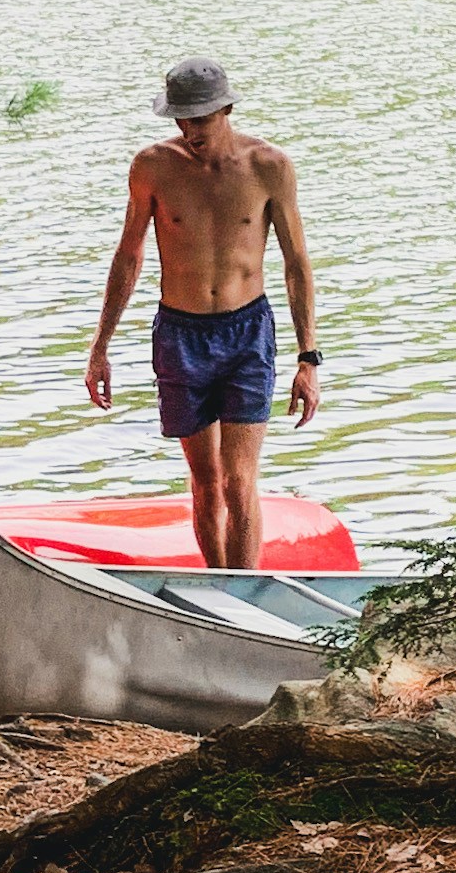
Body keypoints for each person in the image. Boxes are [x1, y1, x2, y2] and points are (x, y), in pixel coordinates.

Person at [83, 55, 321, 570]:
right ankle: (218, 587)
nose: (190, 130)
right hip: (180, 333)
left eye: (201, 119)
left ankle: (244, 590)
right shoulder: (152, 165)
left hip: (247, 331)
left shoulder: (269, 166)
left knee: (240, 481)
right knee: (206, 481)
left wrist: (309, 359)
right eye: (181, 119)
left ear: (227, 108)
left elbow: (296, 264)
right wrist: (99, 348)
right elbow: (128, 255)